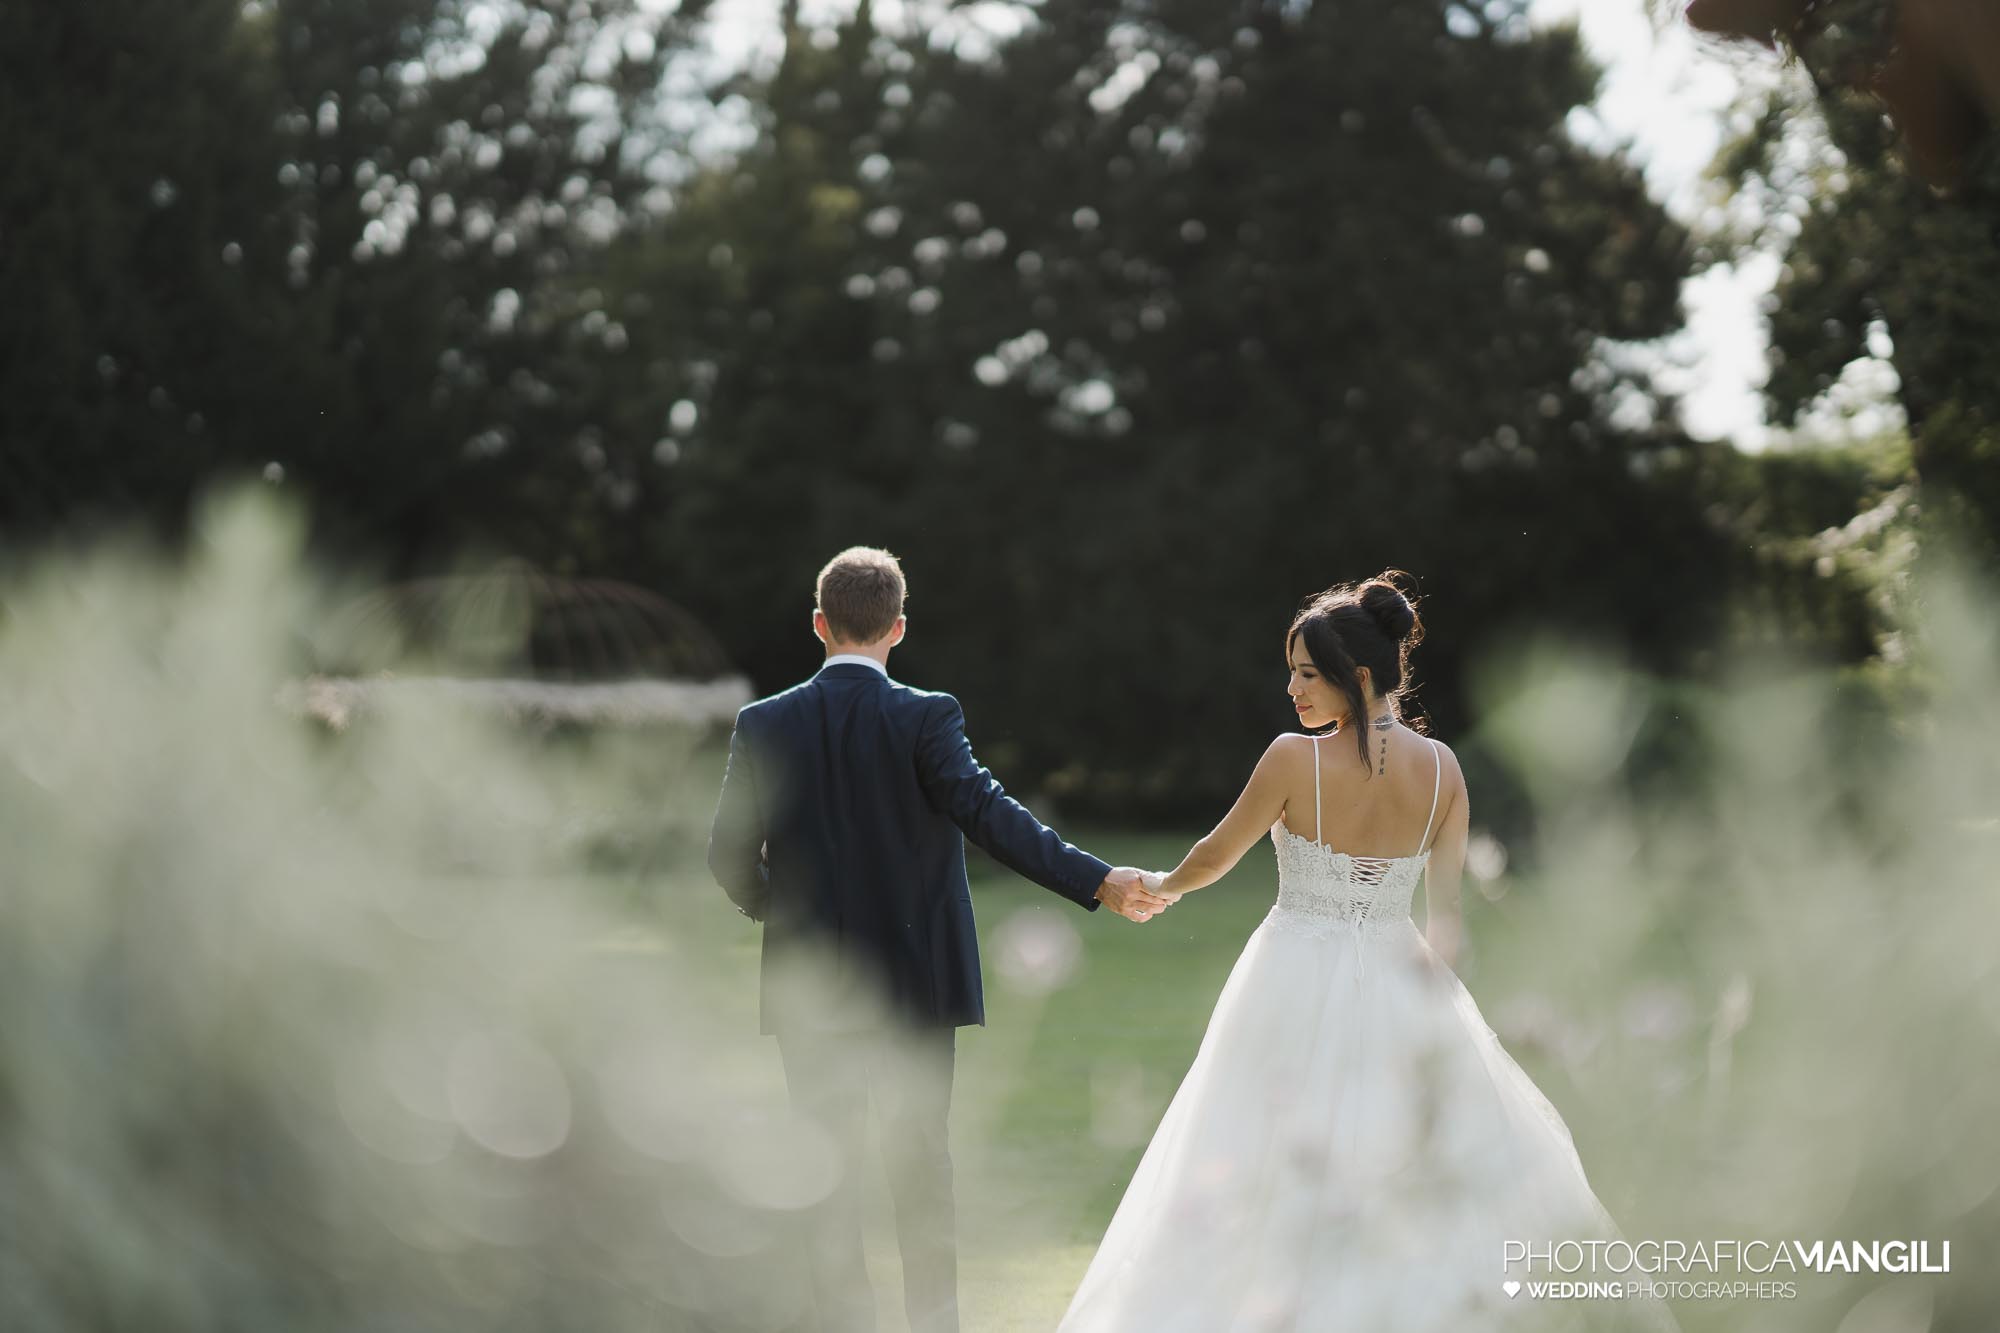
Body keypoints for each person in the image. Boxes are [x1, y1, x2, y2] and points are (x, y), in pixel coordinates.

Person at [1058, 573, 1678, 1332]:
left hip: (1289, 974)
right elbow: (1447, 921)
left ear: (1356, 676)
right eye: (1291, 670)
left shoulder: (1295, 758)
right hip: (1402, 978)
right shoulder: (1445, 770)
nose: (1291, 688)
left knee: (1256, 1150)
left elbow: (1215, 854)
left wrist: (1159, 884)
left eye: (1307, 673)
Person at [708, 546, 1171, 1333]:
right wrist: (1097, 879)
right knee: (921, 1172)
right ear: (898, 628)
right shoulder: (927, 714)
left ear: (820, 623)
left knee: (827, 1175)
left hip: (810, 987)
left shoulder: (765, 721)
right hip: (919, 983)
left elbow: (725, 854)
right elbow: (991, 815)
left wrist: (784, 919)